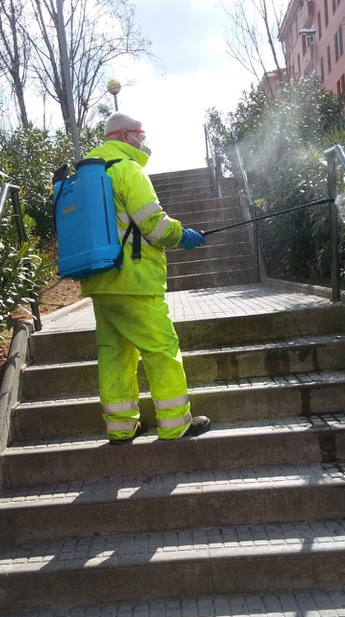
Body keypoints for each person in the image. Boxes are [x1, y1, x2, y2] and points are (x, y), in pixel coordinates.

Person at [81, 111, 211, 445]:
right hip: (134, 279)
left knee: (115, 352)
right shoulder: (128, 169)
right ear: (125, 136)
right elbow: (156, 227)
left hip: (99, 279)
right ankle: (175, 424)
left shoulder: (87, 174)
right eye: (140, 134)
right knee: (161, 349)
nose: (143, 140)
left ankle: (121, 427)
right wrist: (184, 235)